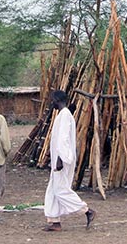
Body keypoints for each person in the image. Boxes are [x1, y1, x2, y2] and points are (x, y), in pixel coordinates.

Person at [43, 90, 95, 232]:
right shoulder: (62, 115)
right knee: (53, 189)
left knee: (60, 190)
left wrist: (60, 159)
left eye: (52, 100)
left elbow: (63, 139)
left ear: (57, 100)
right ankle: (55, 222)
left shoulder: (65, 115)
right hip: (58, 158)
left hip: (63, 159)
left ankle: (86, 210)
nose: (51, 103)